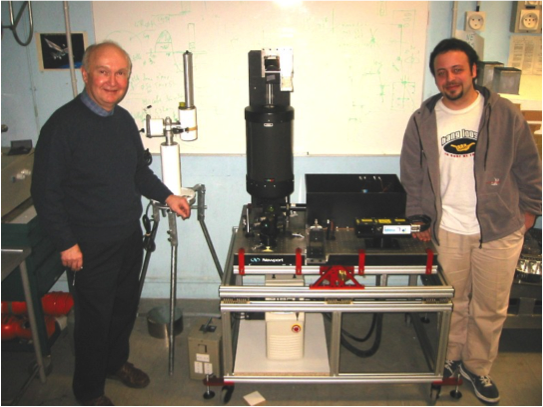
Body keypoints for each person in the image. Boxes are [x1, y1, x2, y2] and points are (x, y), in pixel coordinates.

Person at [31, 41, 191, 406]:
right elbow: (44, 192)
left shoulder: (122, 120)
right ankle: (88, 392)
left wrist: (168, 196)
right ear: (85, 74)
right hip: (88, 245)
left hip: (127, 236)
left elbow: (138, 171)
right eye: (103, 72)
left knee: (122, 309)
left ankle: (114, 362)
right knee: (93, 321)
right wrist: (66, 243)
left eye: (121, 73)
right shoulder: (62, 126)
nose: (112, 81)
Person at [400, 38, 541, 405]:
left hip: (499, 229)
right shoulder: (423, 119)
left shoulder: (505, 114)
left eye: (457, 69)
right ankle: (450, 359)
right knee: (453, 301)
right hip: (448, 229)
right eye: (442, 72)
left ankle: (478, 367)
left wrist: (530, 211)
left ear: (474, 70)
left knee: (490, 308)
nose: (450, 78)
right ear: (435, 78)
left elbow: (529, 165)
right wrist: (419, 218)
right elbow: (412, 174)